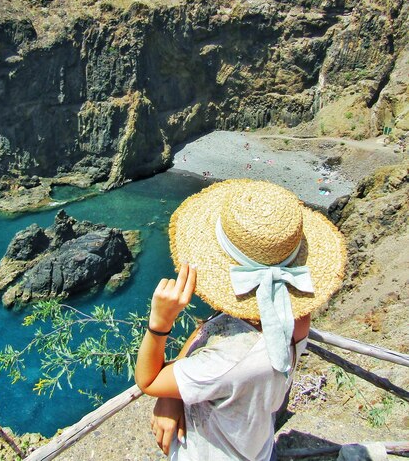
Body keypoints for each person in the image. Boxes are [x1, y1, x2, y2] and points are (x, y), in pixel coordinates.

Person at [135, 179, 346, 460]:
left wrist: (160, 324)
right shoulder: (293, 318)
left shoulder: (227, 361)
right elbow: (209, 330)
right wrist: (174, 394)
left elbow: (147, 380)